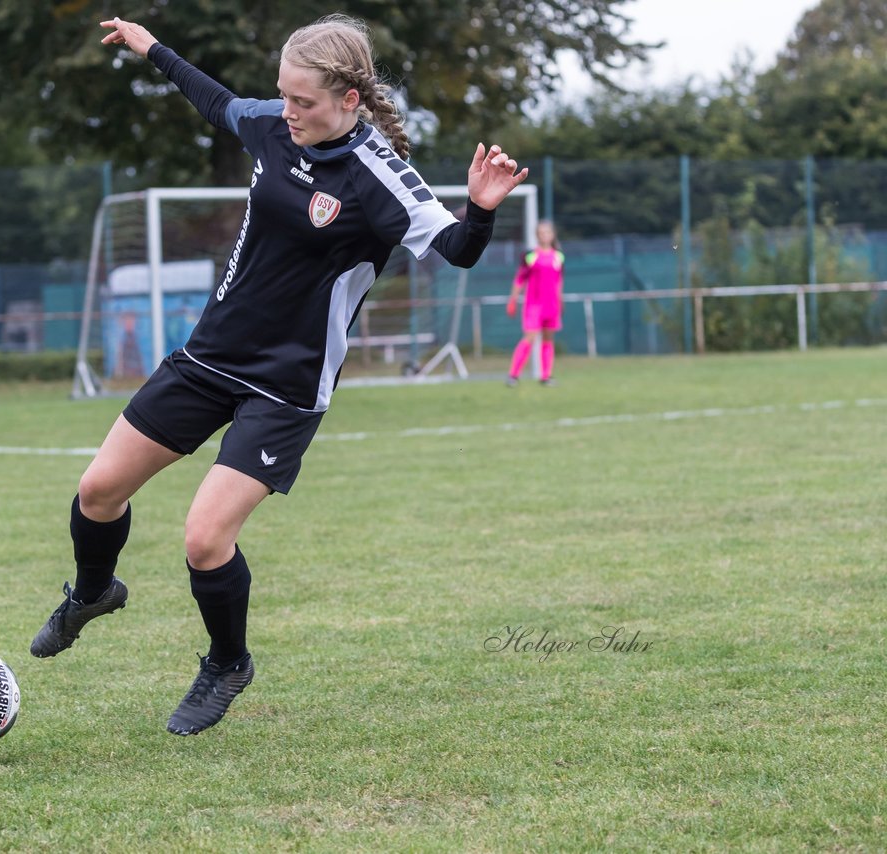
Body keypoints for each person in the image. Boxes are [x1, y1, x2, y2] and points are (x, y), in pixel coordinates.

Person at [28, 13, 529, 736]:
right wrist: (152, 48)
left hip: (286, 387)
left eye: (304, 102)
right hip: (209, 357)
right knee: (99, 490)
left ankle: (227, 663)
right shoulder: (273, 125)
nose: (287, 113)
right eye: (283, 97)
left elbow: (454, 248)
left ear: (349, 100)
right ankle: (93, 592)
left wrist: (480, 210)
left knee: (204, 539)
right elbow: (219, 102)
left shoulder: (377, 174)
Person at [505, 221, 564, 386]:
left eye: (547, 232)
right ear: (537, 235)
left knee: (548, 339)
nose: (545, 235)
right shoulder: (530, 255)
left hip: (551, 305)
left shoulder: (558, 256)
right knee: (529, 338)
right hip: (534, 306)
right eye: (541, 232)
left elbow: (559, 281)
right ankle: (513, 375)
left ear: (552, 235)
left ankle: (546, 376)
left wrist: (560, 301)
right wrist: (513, 299)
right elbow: (520, 279)